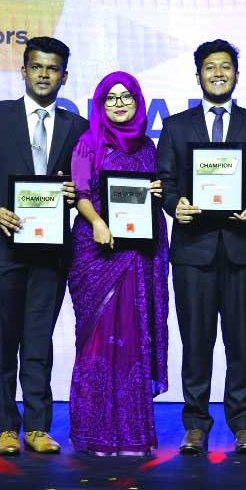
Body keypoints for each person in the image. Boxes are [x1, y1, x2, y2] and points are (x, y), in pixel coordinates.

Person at [0, 36, 88, 456]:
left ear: (64, 76)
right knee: (1, 340)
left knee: (39, 340)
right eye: (36, 67)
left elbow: (86, 186)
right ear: (23, 71)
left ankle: (37, 426)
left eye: (53, 69)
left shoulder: (78, 126)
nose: (44, 75)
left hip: (49, 251)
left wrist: (76, 194)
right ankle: (5, 428)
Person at [157, 39, 246, 455]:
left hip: (243, 249)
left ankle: (243, 425)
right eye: (210, 67)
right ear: (199, 75)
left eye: (225, 67)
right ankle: (195, 425)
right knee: (196, 340)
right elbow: (166, 182)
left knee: (242, 342)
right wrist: (176, 206)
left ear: (236, 74)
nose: (218, 73)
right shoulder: (175, 125)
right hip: (193, 249)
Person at [67, 71, 169, 456]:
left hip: (137, 254)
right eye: (111, 97)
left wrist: (159, 190)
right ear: (100, 104)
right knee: (96, 339)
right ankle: (94, 431)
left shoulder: (147, 146)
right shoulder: (88, 143)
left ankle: (130, 433)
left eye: (126, 96)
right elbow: (81, 192)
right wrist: (96, 222)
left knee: (132, 340)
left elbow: (149, 197)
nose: (119, 103)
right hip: (97, 253)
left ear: (138, 101)